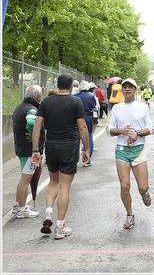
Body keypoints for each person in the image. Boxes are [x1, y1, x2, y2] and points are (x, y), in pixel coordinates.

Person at [31, 73, 90, 240]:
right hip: (69, 146)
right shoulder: (75, 101)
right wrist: (86, 149)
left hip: (51, 146)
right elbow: (82, 127)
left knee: (53, 181)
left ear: (57, 85)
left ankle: (48, 213)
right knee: (64, 186)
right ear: (72, 86)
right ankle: (60, 227)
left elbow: (37, 125)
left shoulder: (46, 101)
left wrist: (36, 150)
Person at [108, 78, 154, 229]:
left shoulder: (143, 107)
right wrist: (120, 131)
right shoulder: (116, 108)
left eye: (130, 87)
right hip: (122, 150)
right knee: (124, 186)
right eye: (125, 87)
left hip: (138, 149)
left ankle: (144, 193)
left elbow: (152, 128)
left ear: (136, 90)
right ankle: (129, 214)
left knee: (142, 186)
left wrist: (137, 133)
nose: (127, 89)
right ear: (121, 90)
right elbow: (109, 130)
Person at [12, 85, 45, 218]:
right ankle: (22, 209)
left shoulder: (20, 106)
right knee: (26, 179)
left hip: (21, 147)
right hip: (28, 149)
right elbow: (31, 123)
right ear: (37, 97)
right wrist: (34, 136)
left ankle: (18, 205)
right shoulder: (32, 109)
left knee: (23, 178)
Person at [75, 81, 96, 167]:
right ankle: (88, 159)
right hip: (88, 118)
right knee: (89, 136)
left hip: (76, 119)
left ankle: (74, 159)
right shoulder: (91, 96)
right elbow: (94, 106)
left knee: (76, 138)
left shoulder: (75, 96)